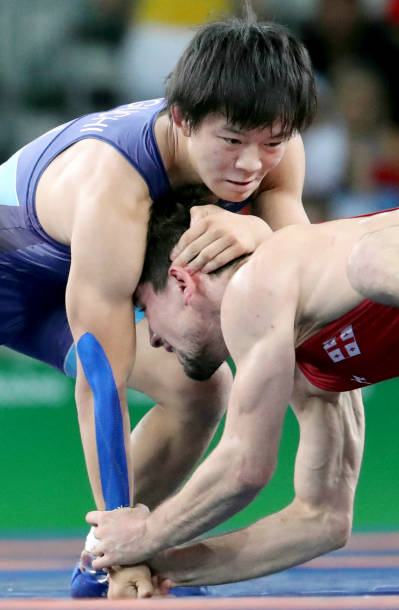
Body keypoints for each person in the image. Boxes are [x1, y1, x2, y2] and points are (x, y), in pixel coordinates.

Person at [0, 12, 316, 598]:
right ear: (181, 119)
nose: (250, 165)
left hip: (77, 269)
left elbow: (306, 274)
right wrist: (129, 555)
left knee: (201, 391)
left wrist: (265, 236)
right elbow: (101, 379)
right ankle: (117, 552)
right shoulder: (114, 187)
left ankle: (98, 557)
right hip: (15, 274)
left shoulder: (275, 148)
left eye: (270, 144)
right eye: (230, 142)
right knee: (125, 372)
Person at [87, 194, 399, 596]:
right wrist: (159, 565)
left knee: (370, 262)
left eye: (145, 308)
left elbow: (244, 468)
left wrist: (145, 534)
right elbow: (321, 521)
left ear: (183, 282)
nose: (152, 337)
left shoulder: (258, 282)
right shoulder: (307, 363)